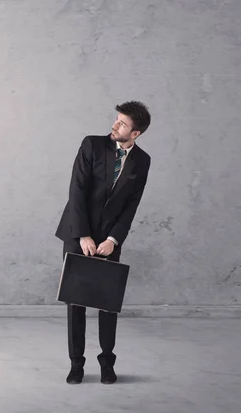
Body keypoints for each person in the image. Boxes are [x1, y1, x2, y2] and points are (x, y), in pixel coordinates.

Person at [54, 101, 152, 384]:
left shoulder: (142, 161)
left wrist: (113, 239)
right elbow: (77, 191)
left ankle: (107, 364)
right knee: (76, 302)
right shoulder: (92, 145)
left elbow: (131, 205)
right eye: (116, 119)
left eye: (122, 123)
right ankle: (76, 364)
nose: (115, 125)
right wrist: (83, 234)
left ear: (135, 134)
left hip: (109, 240)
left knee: (107, 304)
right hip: (77, 232)